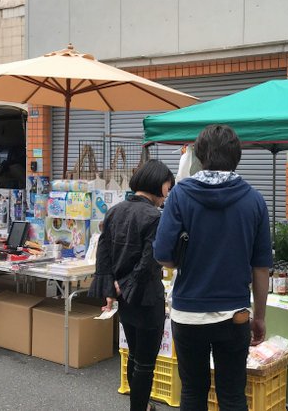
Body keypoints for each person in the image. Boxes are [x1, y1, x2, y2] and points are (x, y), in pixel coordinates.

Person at [153, 124, 272, 411]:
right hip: (235, 314)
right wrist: (259, 317)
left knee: (193, 392)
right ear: (237, 156)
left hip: (188, 313)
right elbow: (261, 267)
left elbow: (163, 257)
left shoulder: (179, 195)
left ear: (200, 156)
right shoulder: (254, 200)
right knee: (232, 395)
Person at [89, 159, 174, 411]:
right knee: (145, 363)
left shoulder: (115, 211)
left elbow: (103, 254)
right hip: (146, 297)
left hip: (124, 298)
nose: (168, 193)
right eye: (168, 187)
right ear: (159, 185)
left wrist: (112, 287)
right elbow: (149, 262)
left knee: (134, 355)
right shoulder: (155, 217)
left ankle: (142, 406)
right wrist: (126, 285)